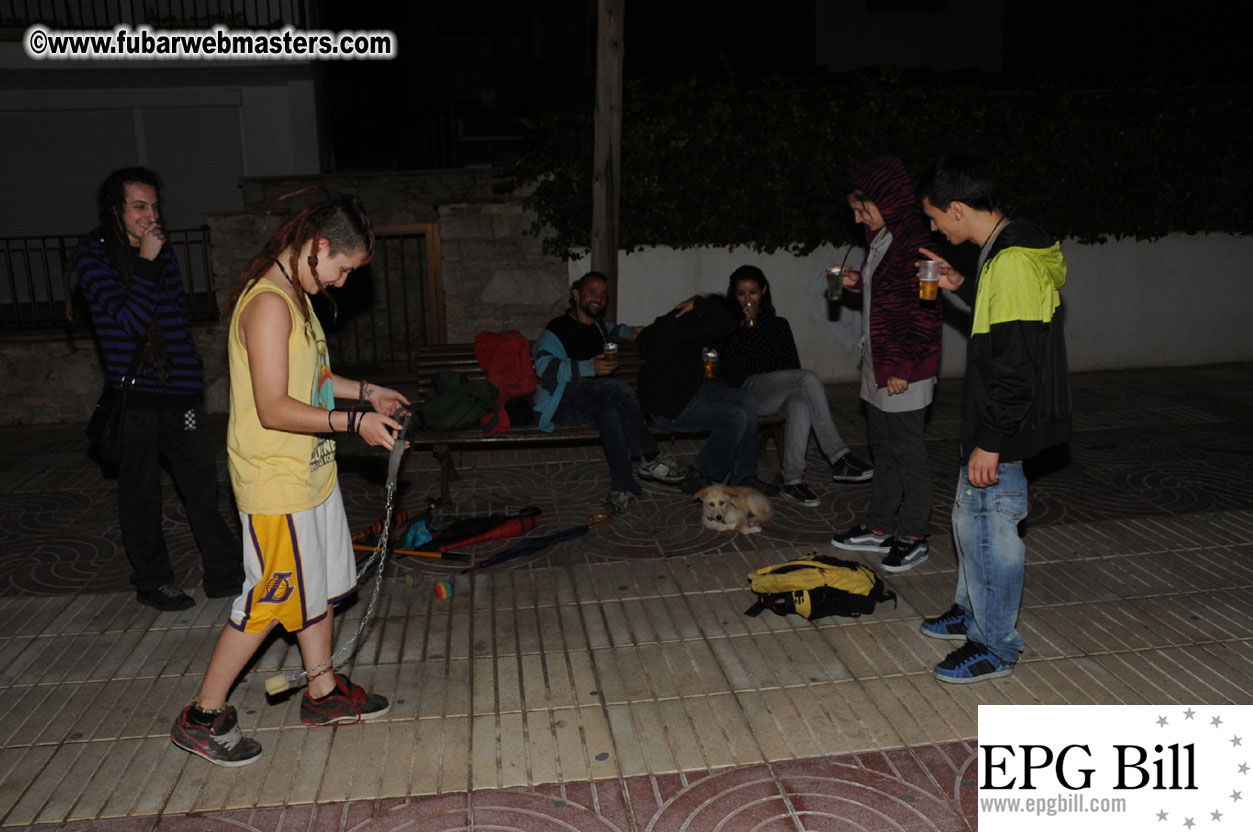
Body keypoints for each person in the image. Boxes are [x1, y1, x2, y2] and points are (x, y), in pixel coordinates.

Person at [170, 194, 408, 766]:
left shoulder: (297, 297)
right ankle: (201, 715)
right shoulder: (269, 304)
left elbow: (313, 378)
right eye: (342, 269)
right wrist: (353, 423)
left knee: (316, 586)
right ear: (318, 247)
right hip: (276, 483)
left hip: (310, 475)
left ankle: (322, 692)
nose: (343, 282)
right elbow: (274, 406)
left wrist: (368, 392)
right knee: (271, 599)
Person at [915, 154, 1071, 684]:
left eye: (935, 217)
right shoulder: (1002, 251)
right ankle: (969, 610)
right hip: (990, 419)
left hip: (1003, 425)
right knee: (970, 521)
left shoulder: (1013, 260)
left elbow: (1018, 362)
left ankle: (995, 644)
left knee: (992, 534)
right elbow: (1003, 316)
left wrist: (994, 439)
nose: (934, 228)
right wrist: (963, 283)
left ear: (957, 208)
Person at [74, 167, 242, 611]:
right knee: (141, 494)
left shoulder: (160, 253)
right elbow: (130, 323)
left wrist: (192, 371)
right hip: (136, 397)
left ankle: (225, 573)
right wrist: (146, 262)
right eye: (139, 206)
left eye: (154, 205)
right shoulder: (94, 258)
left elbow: (173, 318)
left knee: (202, 486)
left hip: (180, 391)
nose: (151, 215)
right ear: (116, 210)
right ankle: (153, 581)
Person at [829, 157, 942, 572]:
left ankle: (914, 535)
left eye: (863, 209)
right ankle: (879, 527)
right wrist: (857, 282)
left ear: (888, 200)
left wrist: (904, 366)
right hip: (878, 362)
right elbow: (886, 293)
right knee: (882, 449)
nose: (858, 218)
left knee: (908, 453)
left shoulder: (917, 242)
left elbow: (926, 313)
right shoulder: (881, 237)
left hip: (904, 369)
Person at [716, 265, 873, 507]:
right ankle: (838, 456)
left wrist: (760, 330)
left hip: (775, 392)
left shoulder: (779, 324)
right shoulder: (729, 326)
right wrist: (744, 329)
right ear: (733, 294)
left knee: (800, 402)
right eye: (741, 293)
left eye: (753, 292)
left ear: (763, 291)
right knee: (808, 379)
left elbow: (791, 366)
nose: (747, 299)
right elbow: (732, 373)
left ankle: (793, 481)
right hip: (747, 392)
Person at [532, 271, 684, 515]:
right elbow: (542, 367)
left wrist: (632, 331)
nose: (599, 299)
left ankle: (622, 486)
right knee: (618, 388)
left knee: (611, 413)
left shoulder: (599, 327)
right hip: (562, 402)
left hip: (595, 400)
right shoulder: (557, 328)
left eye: (603, 295)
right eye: (592, 292)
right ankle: (650, 456)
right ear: (576, 294)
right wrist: (589, 367)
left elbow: (614, 329)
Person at [636, 294, 780, 496]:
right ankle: (700, 475)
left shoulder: (685, 326)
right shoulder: (680, 325)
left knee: (744, 399)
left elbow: (644, 338)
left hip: (685, 393)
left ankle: (743, 475)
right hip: (669, 409)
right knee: (734, 417)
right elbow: (726, 321)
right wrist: (699, 302)